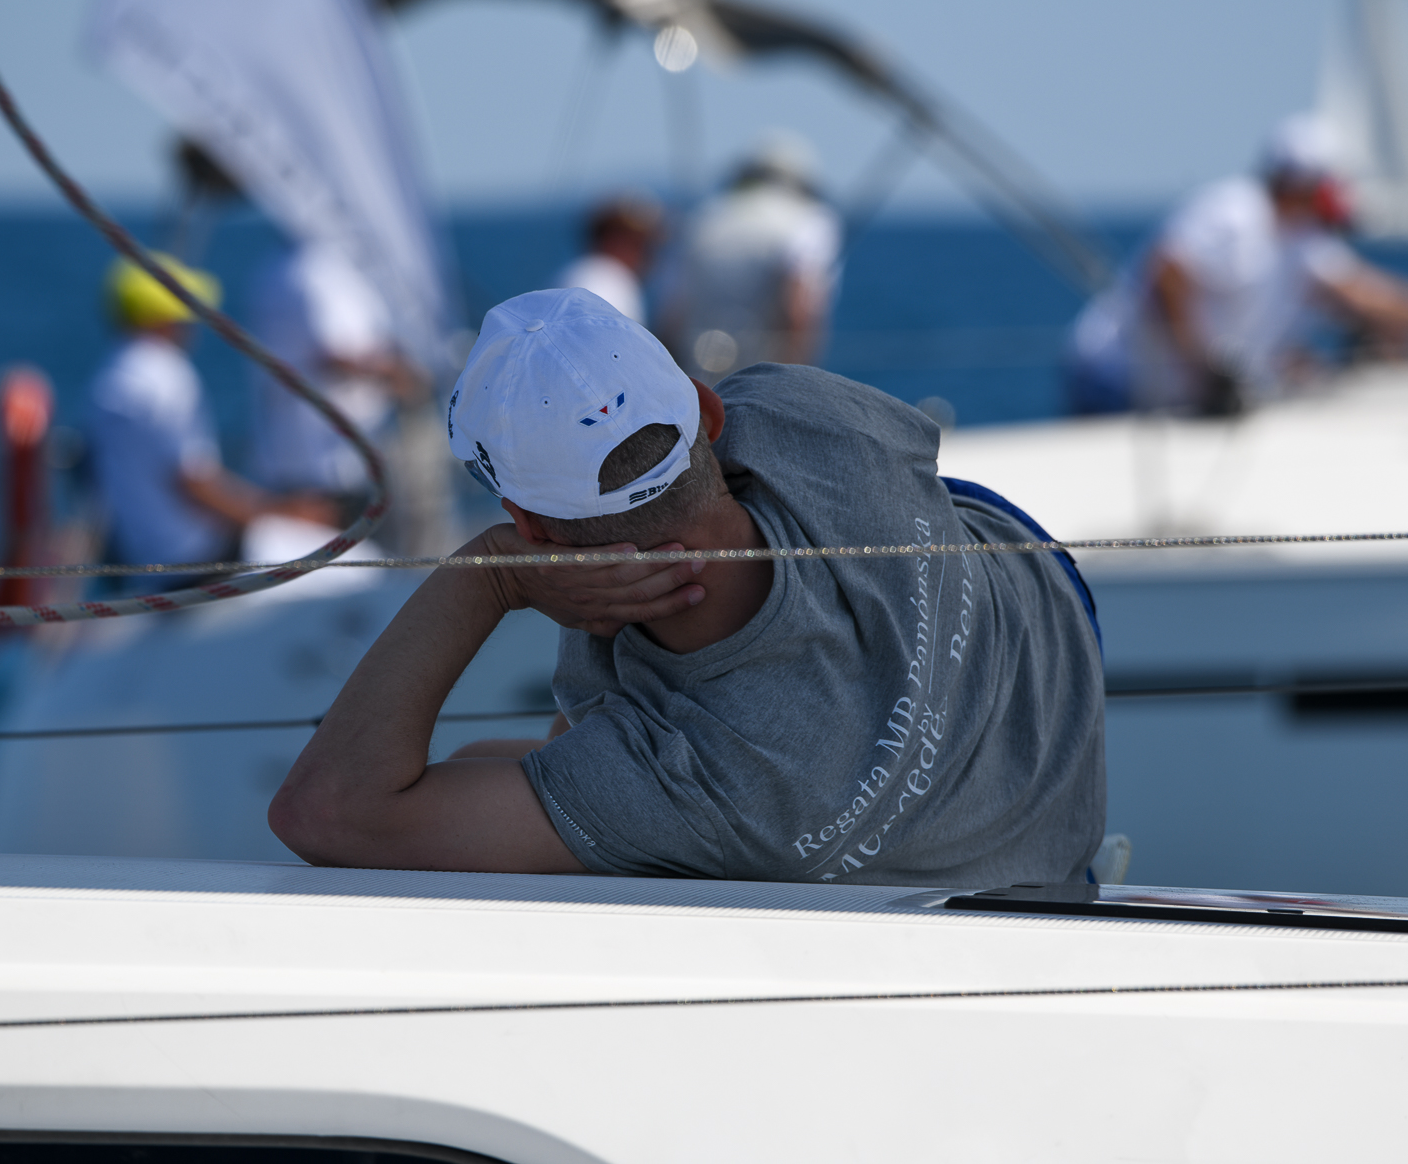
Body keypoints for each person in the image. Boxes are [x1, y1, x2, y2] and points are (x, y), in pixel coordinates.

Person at [269, 288, 1105, 886]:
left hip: (997, 857)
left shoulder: (691, 783)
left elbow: (328, 810)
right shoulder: (803, 408)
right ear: (706, 410)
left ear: (528, 524)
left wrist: (488, 580)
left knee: (502, 789)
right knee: (484, 762)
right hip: (1052, 633)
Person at [1066, 114, 1408, 416]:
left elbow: (1371, 296)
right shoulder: (1233, 211)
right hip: (1118, 380)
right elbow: (1168, 275)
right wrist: (1203, 364)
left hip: (1175, 398)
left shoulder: (1304, 242)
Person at [85, 255, 333, 588]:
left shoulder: (108, 381)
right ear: (163, 316)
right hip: (198, 561)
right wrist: (281, 513)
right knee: (346, 557)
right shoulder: (166, 375)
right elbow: (195, 483)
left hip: (148, 565)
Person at [248, 239, 457, 554]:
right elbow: (334, 354)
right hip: (327, 473)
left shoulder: (276, 271)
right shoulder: (316, 272)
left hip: (312, 462)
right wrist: (404, 374)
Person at [659, 132, 843, 385]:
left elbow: (672, 315)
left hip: (698, 381)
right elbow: (797, 312)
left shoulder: (701, 220)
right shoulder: (810, 222)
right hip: (765, 384)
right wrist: (795, 385)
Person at [552, 194, 663, 325]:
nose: (650, 257)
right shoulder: (607, 284)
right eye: (643, 245)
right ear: (615, 241)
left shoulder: (576, 273)